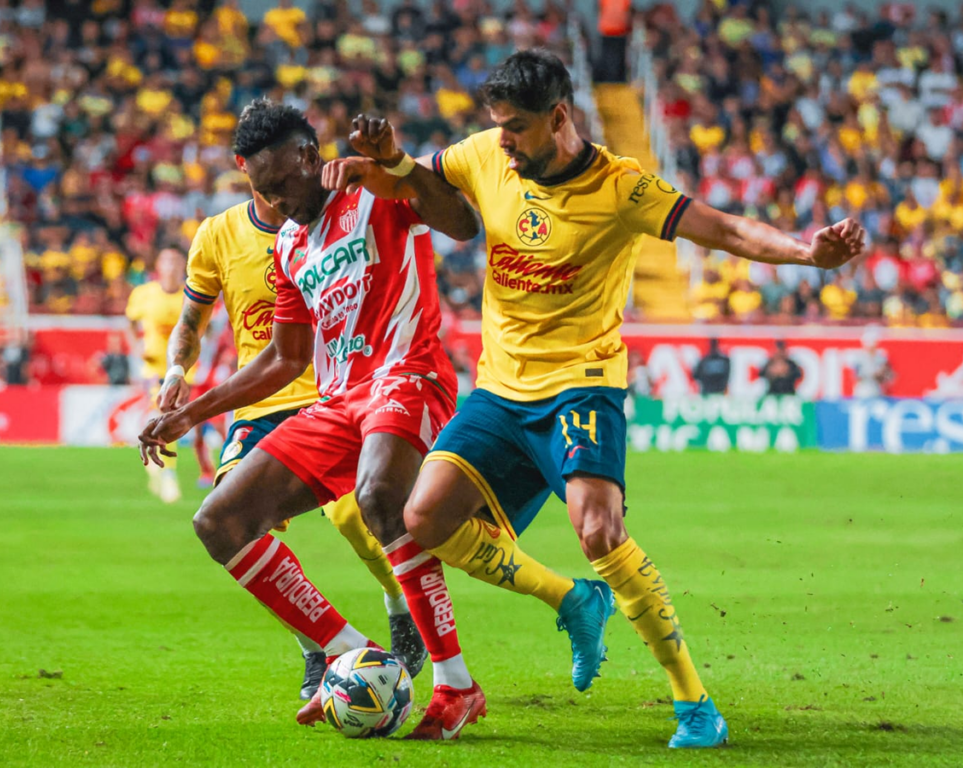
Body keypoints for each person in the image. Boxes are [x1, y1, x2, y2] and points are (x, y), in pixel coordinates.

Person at [336, 50, 865, 748]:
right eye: (496, 125)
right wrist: (395, 166)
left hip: (581, 385)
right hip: (499, 390)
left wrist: (806, 254)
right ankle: (574, 599)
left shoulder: (622, 187)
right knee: (422, 518)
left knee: (599, 531)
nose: (503, 140)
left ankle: (694, 703)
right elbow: (439, 206)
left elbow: (726, 229)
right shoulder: (486, 155)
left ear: (559, 118)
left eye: (516, 127)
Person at [138, 100, 612, 741]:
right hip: (335, 401)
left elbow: (463, 224)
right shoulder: (288, 245)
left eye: (280, 185)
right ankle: (348, 656)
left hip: (408, 375)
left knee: (379, 498)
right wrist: (190, 412)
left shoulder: (375, 188)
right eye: (260, 190)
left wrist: (393, 161)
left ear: (310, 158)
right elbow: (285, 358)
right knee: (219, 520)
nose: (273, 202)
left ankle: (455, 685)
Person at [154, 162, 427, 701]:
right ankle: (317, 649)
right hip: (258, 408)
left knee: (353, 514)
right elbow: (190, 321)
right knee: (233, 524)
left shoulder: (321, 224)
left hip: (330, 394)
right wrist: (175, 372)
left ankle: (400, 606)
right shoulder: (216, 235)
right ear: (246, 170)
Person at [126, 247, 214, 503]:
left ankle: (166, 463)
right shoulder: (143, 294)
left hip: (187, 369)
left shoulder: (191, 295)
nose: (171, 267)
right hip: (154, 367)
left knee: (188, 423)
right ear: (158, 266)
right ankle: (168, 473)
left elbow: (204, 327)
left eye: (176, 262)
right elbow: (130, 323)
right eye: (166, 261)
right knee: (168, 412)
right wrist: (136, 347)